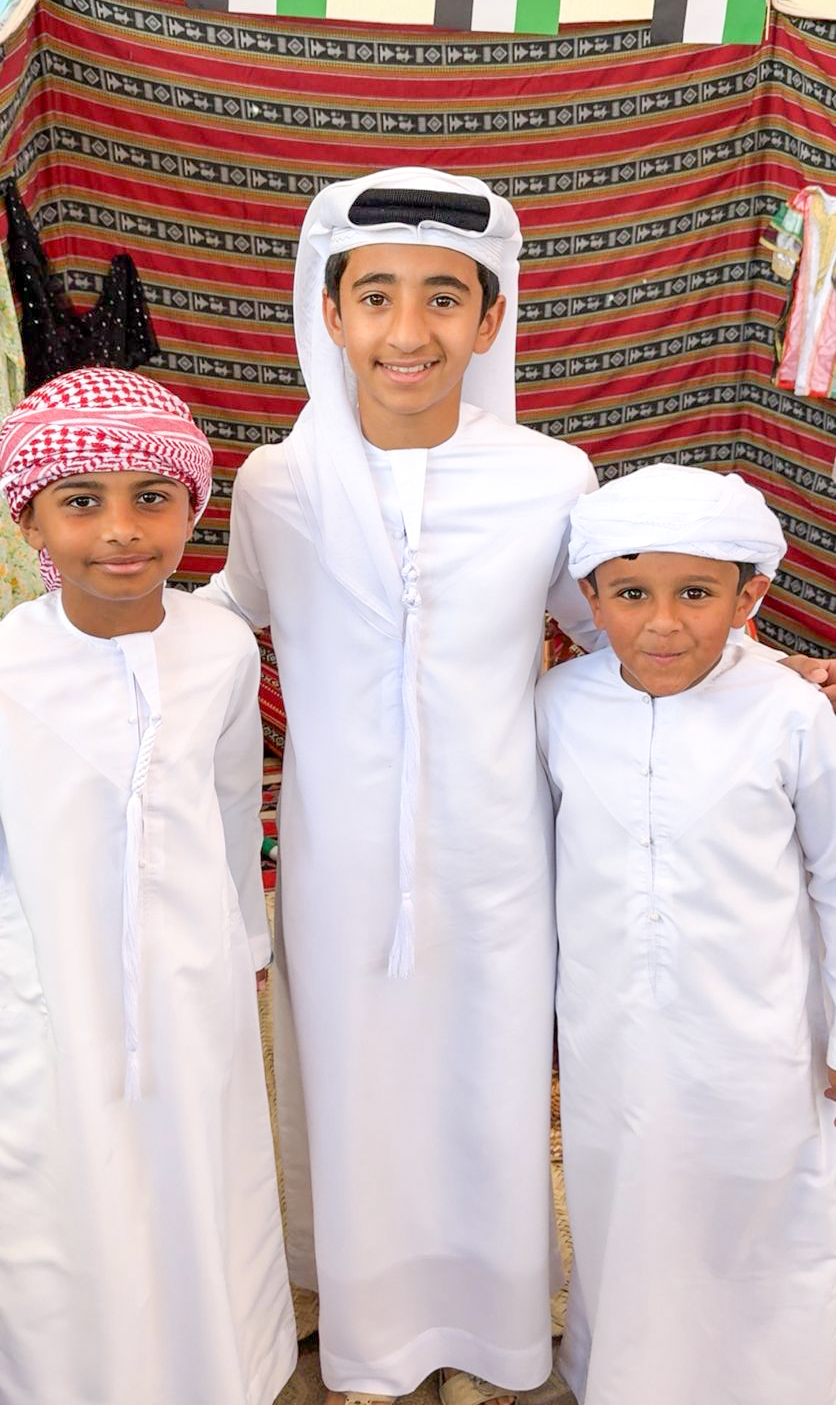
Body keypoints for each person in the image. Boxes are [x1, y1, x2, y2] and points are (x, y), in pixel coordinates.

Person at [202, 166, 604, 1405]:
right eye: (376, 296)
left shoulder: (553, 476)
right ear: (331, 313)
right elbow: (220, 619)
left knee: (487, 1090)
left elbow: (614, 628)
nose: (408, 330)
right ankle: (372, 1340)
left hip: (497, 858)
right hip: (337, 862)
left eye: (444, 297)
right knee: (357, 1092)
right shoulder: (277, 482)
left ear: (492, 318)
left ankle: (490, 1339)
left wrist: (759, 668)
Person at [0, 368, 297, 1405]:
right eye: (81, 502)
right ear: (31, 520)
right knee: (60, 1221)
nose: (122, 531)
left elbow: (232, 808)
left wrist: (243, 947)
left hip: (195, 995)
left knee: (199, 1200)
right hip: (47, 1010)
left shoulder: (221, 647)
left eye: (152, 498)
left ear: (192, 508)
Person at [534, 464, 836, 1405]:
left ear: (750, 597)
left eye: (696, 594)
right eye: (631, 595)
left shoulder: (790, 710)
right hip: (611, 1026)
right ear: (590, 601)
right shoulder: (559, 704)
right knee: (626, 1200)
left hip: (756, 1030)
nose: (662, 624)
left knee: (760, 1199)